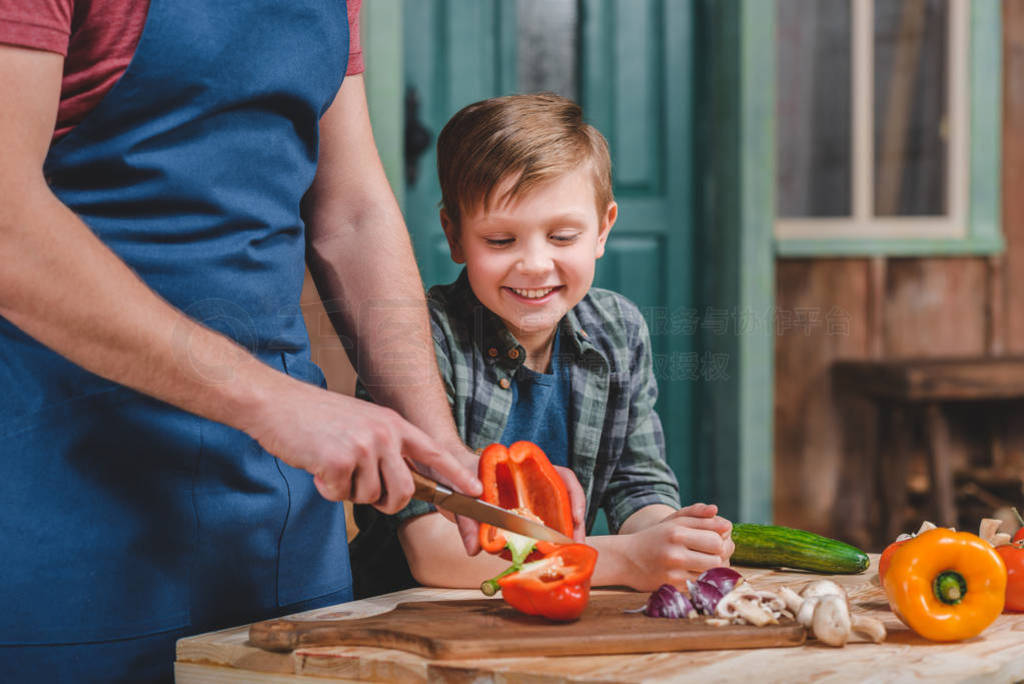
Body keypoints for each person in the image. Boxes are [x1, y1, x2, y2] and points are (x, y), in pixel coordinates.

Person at [0, 1, 488, 680]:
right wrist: (273, 403)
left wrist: (440, 447)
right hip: (66, 509)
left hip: (277, 522)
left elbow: (351, 212)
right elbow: (7, 225)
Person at [350, 93, 735, 599]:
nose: (534, 264)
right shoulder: (417, 339)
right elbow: (432, 552)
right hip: (410, 615)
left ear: (603, 230)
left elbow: (637, 485)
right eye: (501, 241)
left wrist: (673, 538)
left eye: (562, 236)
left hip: (550, 610)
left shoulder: (619, 328)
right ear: (455, 234)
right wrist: (619, 561)